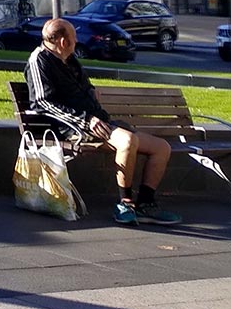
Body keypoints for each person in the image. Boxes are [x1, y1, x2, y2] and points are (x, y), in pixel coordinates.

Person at [25, 17, 181, 225]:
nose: (77, 40)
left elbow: (84, 85)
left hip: (99, 122)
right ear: (63, 41)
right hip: (74, 128)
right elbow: (42, 102)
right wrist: (86, 121)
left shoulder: (69, 59)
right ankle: (126, 204)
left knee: (161, 148)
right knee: (127, 141)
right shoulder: (39, 60)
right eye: (74, 36)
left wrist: (91, 91)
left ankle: (146, 203)